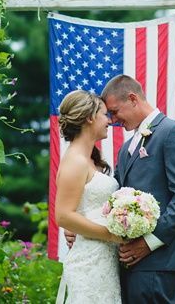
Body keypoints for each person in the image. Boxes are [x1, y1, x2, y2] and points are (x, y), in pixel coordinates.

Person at [93, 74, 175, 303]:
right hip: (131, 259)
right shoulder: (125, 149)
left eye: (114, 111)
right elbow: (113, 198)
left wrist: (149, 242)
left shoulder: (172, 132)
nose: (112, 120)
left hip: (160, 258)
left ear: (132, 98)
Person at [53, 89, 124, 303]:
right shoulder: (75, 161)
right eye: (104, 114)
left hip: (104, 258)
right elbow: (64, 216)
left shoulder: (89, 159)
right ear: (90, 117)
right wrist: (112, 235)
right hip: (89, 261)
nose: (109, 121)